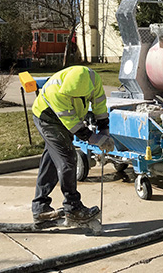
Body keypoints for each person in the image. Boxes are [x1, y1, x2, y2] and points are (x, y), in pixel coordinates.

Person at [31, 66, 115, 224]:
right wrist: (95, 139)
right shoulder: (57, 91)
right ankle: (73, 207)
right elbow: (74, 127)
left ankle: (40, 207)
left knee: (52, 158)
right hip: (47, 118)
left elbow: (99, 104)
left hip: (67, 118)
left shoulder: (93, 79)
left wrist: (104, 129)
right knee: (68, 159)